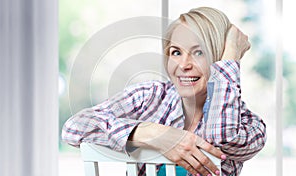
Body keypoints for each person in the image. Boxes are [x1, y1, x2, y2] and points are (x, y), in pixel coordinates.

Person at [62, 7, 266, 176]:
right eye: (176, 52)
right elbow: (73, 129)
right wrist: (153, 133)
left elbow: (221, 136)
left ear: (219, 59)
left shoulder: (249, 126)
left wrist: (230, 55)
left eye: (199, 52)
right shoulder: (149, 97)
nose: (184, 64)